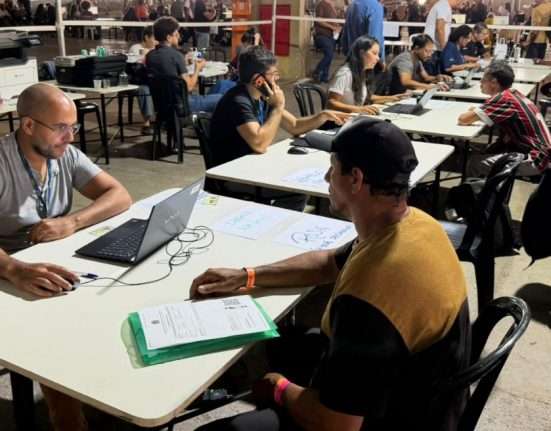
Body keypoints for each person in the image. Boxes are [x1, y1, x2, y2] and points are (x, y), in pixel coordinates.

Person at [191, 117, 471, 431]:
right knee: (286, 345)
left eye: (332, 168)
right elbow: (327, 263)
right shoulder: (415, 225)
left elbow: (337, 425)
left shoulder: (369, 294)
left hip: (394, 419)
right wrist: (247, 276)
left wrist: (279, 387)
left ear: (356, 179)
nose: (326, 177)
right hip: (425, 394)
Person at [0, 83, 132, 430]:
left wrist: (72, 222)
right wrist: (13, 268)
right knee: (48, 333)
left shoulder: (65, 155)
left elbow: (119, 195)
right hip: (8, 268)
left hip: (53, 259)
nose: (70, 137)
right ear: (28, 125)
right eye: (60, 127)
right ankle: (66, 416)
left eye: (73, 127)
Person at [209, 46, 349, 210]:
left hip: (252, 166)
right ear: (258, 79)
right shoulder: (239, 101)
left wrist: (322, 116)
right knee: (297, 191)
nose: (277, 78)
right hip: (231, 176)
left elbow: (294, 125)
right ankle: (272, 219)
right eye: (273, 74)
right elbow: (259, 144)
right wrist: (277, 107)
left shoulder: (262, 97)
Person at [458, 61, 551, 177]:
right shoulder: (512, 94)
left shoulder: (503, 100)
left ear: (494, 82)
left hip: (536, 159)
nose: (480, 82)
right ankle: (490, 185)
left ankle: (474, 188)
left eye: (483, 79)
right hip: (539, 151)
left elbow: (463, 119)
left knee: (475, 163)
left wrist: (474, 113)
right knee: (492, 148)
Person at [146, 16, 232, 113]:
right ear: (169, 38)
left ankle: (207, 118)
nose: (179, 36)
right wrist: (197, 68)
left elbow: (167, 69)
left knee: (220, 85)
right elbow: (189, 87)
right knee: (224, 98)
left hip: (163, 105)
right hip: (183, 104)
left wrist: (183, 62)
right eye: (176, 34)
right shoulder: (176, 55)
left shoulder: (150, 56)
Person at [328, 36, 409, 115]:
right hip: (341, 121)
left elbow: (366, 97)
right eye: (374, 53)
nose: (378, 58)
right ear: (361, 53)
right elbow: (331, 103)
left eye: (378, 55)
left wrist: (392, 98)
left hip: (354, 117)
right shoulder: (345, 73)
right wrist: (358, 109)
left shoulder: (362, 72)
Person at [386, 33, 452, 94]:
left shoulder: (418, 60)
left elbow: (426, 78)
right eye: (426, 51)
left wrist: (438, 77)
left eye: (431, 51)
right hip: (391, 96)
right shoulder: (405, 59)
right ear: (416, 48)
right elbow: (406, 82)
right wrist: (432, 87)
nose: (429, 55)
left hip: (402, 94)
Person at [128, 26, 157, 134]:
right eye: (154, 38)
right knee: (144, 90)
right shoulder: (136, 48)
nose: (156, 41)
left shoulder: (157, 49)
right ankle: (146, 123)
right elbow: (135, 67)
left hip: (153, 80)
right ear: (146, 37)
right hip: (138, 81)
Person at [423, 0, 461, 74]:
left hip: (434, 48)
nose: (460, 4)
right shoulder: (444, 6)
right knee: (433, 76)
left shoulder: (444, 6)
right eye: (461, 1)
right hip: (433, 50)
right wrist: (445, 49)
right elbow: (440, 29)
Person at [312, 0, 340, 83]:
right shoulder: (321, 4)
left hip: (331, 35)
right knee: (329, 54)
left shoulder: (332, 5)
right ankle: (317, 71)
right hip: (322, 34)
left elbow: (331, 21)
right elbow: (318, 20)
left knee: (330, 56)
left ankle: (324, 77)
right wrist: (332, 27)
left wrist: (337, 26)